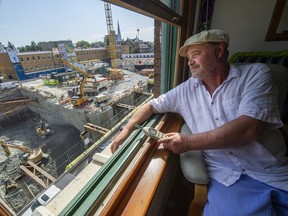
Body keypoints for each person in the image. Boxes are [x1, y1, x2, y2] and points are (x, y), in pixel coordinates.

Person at [110, 29, 288, 215]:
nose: (190, 62)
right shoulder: (185, 90)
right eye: (188, 58)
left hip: (271, 170)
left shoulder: (256, 74)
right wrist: (126, 129)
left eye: (196, 54)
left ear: (219, 51)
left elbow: (249, 128)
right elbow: (150, 106)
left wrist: (187, 142)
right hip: (227, 177)